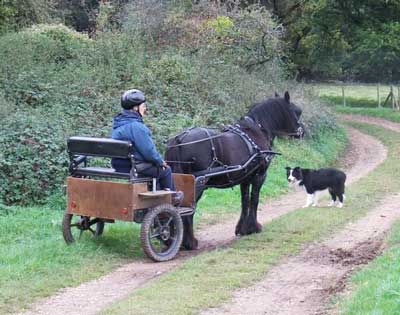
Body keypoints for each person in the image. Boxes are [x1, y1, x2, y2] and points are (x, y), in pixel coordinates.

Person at [111, 89, 183, 205]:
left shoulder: (118, 124)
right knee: (166, 170)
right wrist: (160, 161)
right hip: (134, 167)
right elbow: (149, 152)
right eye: (143, 106)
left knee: (156, 169)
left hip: (119, 166)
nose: (145, 109)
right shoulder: (137, 127)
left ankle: (159, 199)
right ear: (135, 108)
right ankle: (172, 198)